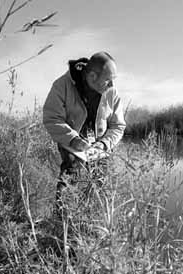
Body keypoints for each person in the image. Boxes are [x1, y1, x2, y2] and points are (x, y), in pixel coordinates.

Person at [43, 51, 126, 214]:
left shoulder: (112, 92)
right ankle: (63, 222)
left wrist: (104, 144)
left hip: (100, 145)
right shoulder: (62, 85)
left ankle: (97, 223)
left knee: (103, 184)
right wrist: (73, 140)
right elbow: (52, 119)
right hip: (72, 141)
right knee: (70, 174)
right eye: (108, 80)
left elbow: (118, 126)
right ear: (93, 76)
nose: (111, 85)